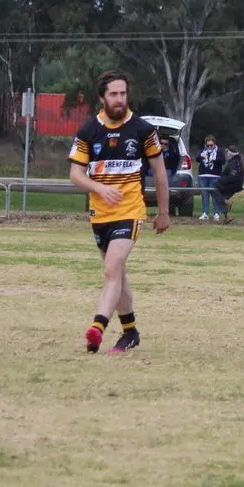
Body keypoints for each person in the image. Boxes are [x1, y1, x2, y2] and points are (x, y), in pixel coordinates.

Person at [67, 70, 171, 353]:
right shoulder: (88, 131)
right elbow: (75, 175)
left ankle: (97, 327)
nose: (119, 99)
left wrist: (163, 211)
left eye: (123, 93)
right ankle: (130, 332)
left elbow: (160, 173)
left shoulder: (143, 130)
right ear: (102, 97)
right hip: (100, 215)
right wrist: (99, 189)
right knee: (118, 274)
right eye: (113, 94)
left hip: (130, 211)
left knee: (112, 268)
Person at [197, 135, 223, 222]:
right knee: (204, 195)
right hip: (203, 176)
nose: (209, 147)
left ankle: (216, 214)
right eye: (208, 145)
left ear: (214, 144)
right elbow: (197, 159)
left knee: (215, 195)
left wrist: (214, 159)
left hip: (215, 176)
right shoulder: (202, 151)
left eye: (211, 145)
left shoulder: (219, 152)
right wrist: (201, 156)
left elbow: (223, 161)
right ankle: (205, 213)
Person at [216, 145, 244, 222]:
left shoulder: (234, 163)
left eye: (227, 153)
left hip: (232, 186)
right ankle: (227, 216)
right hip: (233, 185)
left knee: (214, 188)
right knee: (220, 199)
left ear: (230, 154)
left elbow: (232, 177)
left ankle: (226, 203)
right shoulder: (234, 162)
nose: (226, 155)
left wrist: (220, 180)